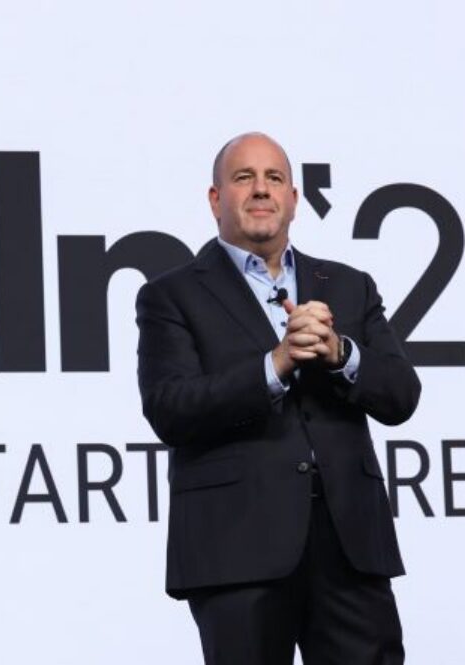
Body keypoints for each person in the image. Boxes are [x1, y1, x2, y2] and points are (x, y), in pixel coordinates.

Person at [135, 132, 421, 664]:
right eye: (243, 177)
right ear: (216, 199)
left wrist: (339, 352)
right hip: (236, 548)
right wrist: (278, 363)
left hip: (350, 544)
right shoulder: (171, 295)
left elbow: (402, 395)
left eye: (274, 179)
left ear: (293, 197)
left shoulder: (349, 285)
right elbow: (171, 407)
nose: (260, 190)